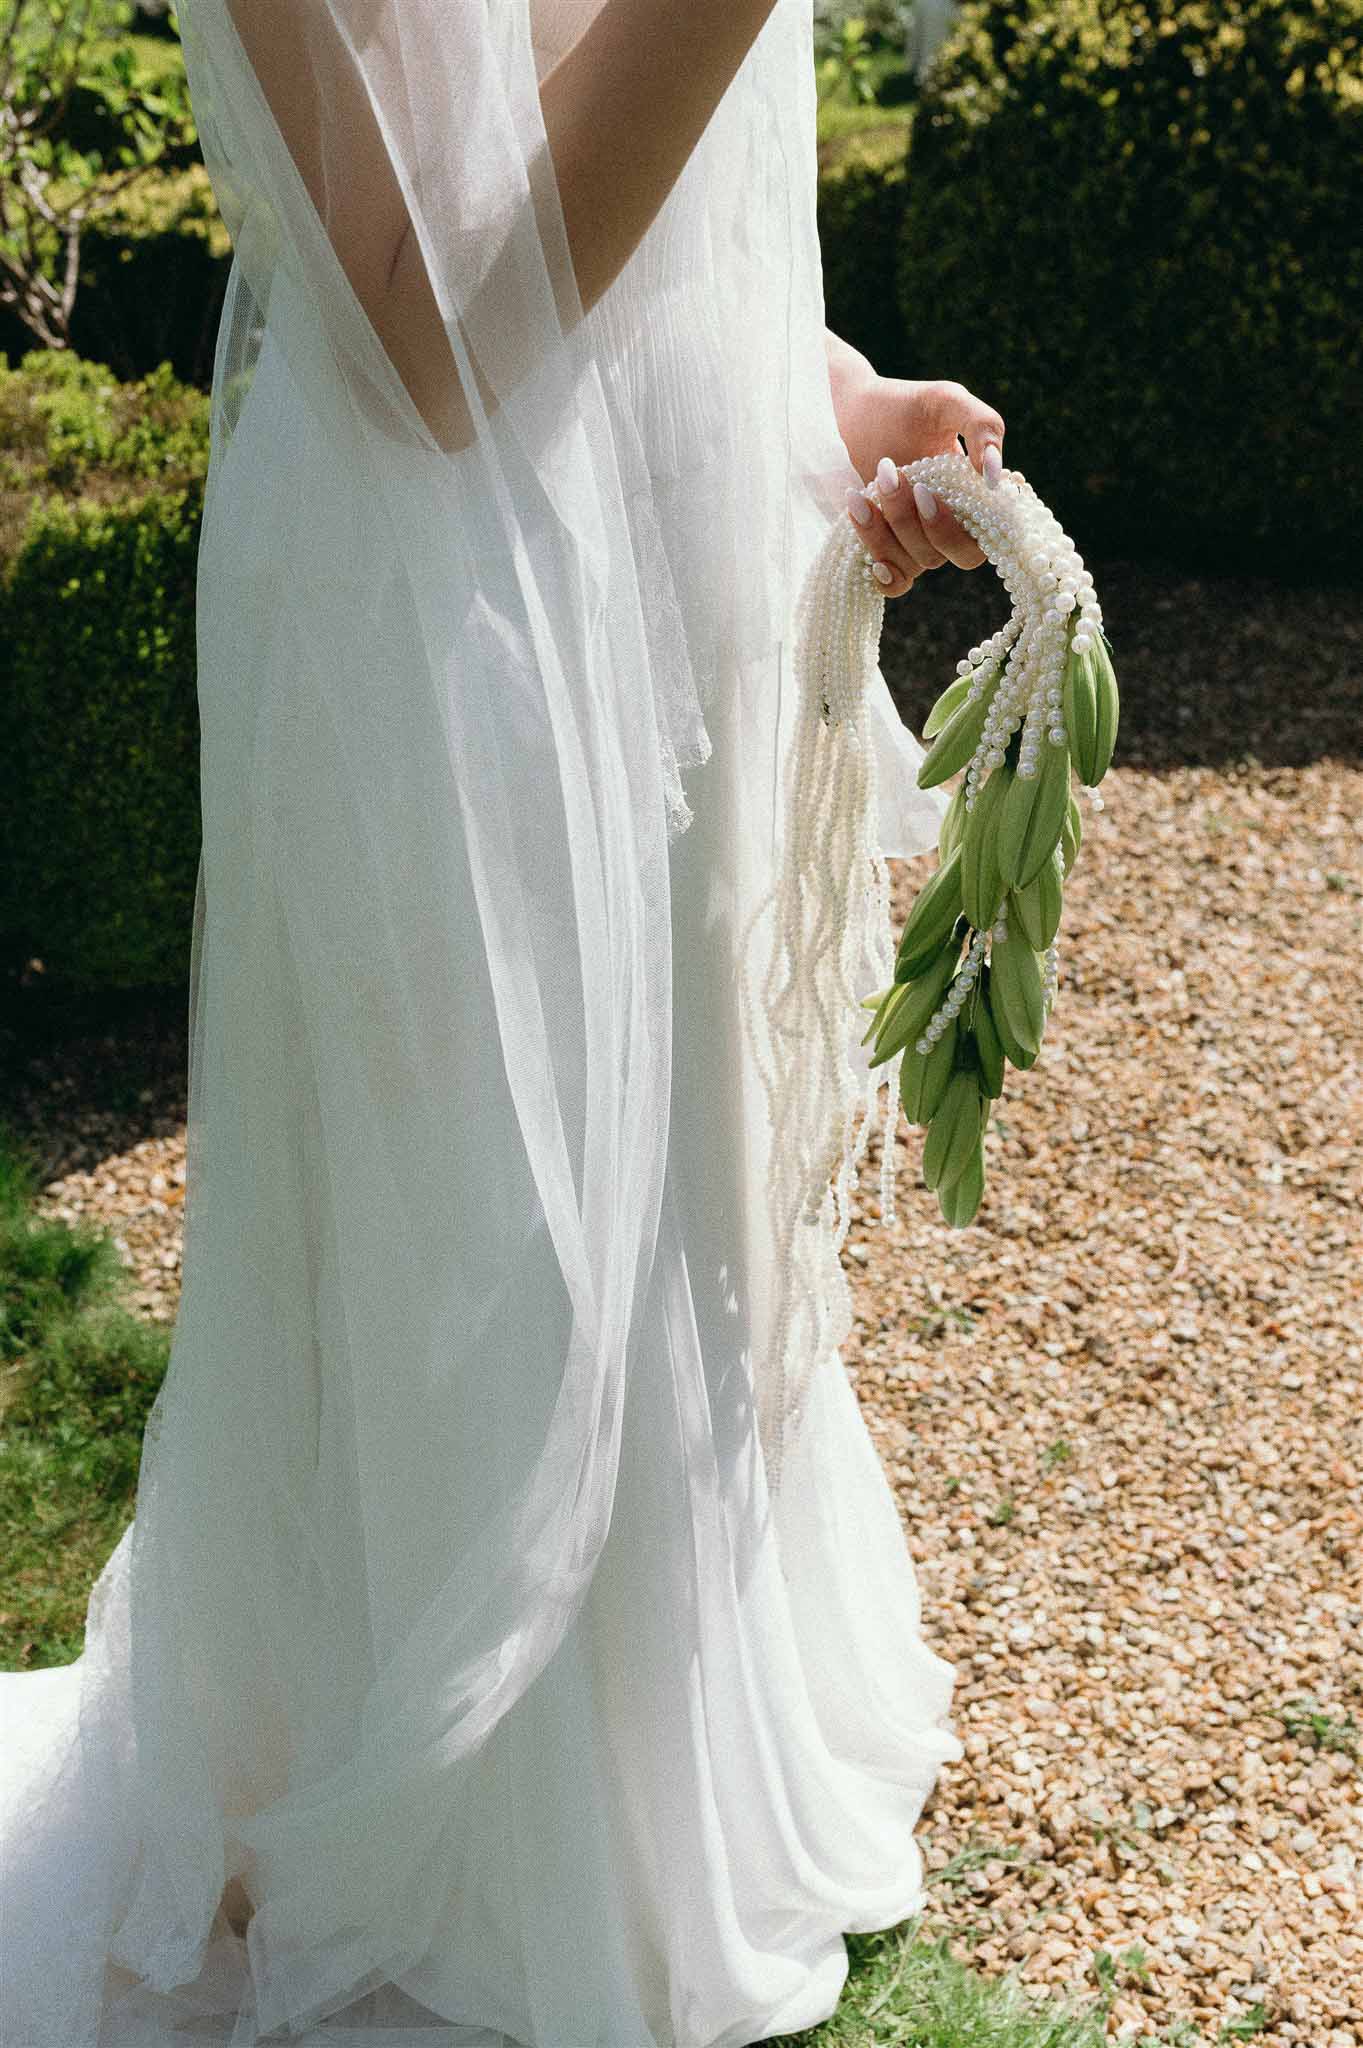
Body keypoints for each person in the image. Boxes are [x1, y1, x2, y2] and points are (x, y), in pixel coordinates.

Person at [0, 2, 1005, 2041]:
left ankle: (650, 1780)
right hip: (447, 635)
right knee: (499, 1253)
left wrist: (824, 404)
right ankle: (497, 1853)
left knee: (674, 1202)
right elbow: (426, 327)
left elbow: (631, 226)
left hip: (668, 574)